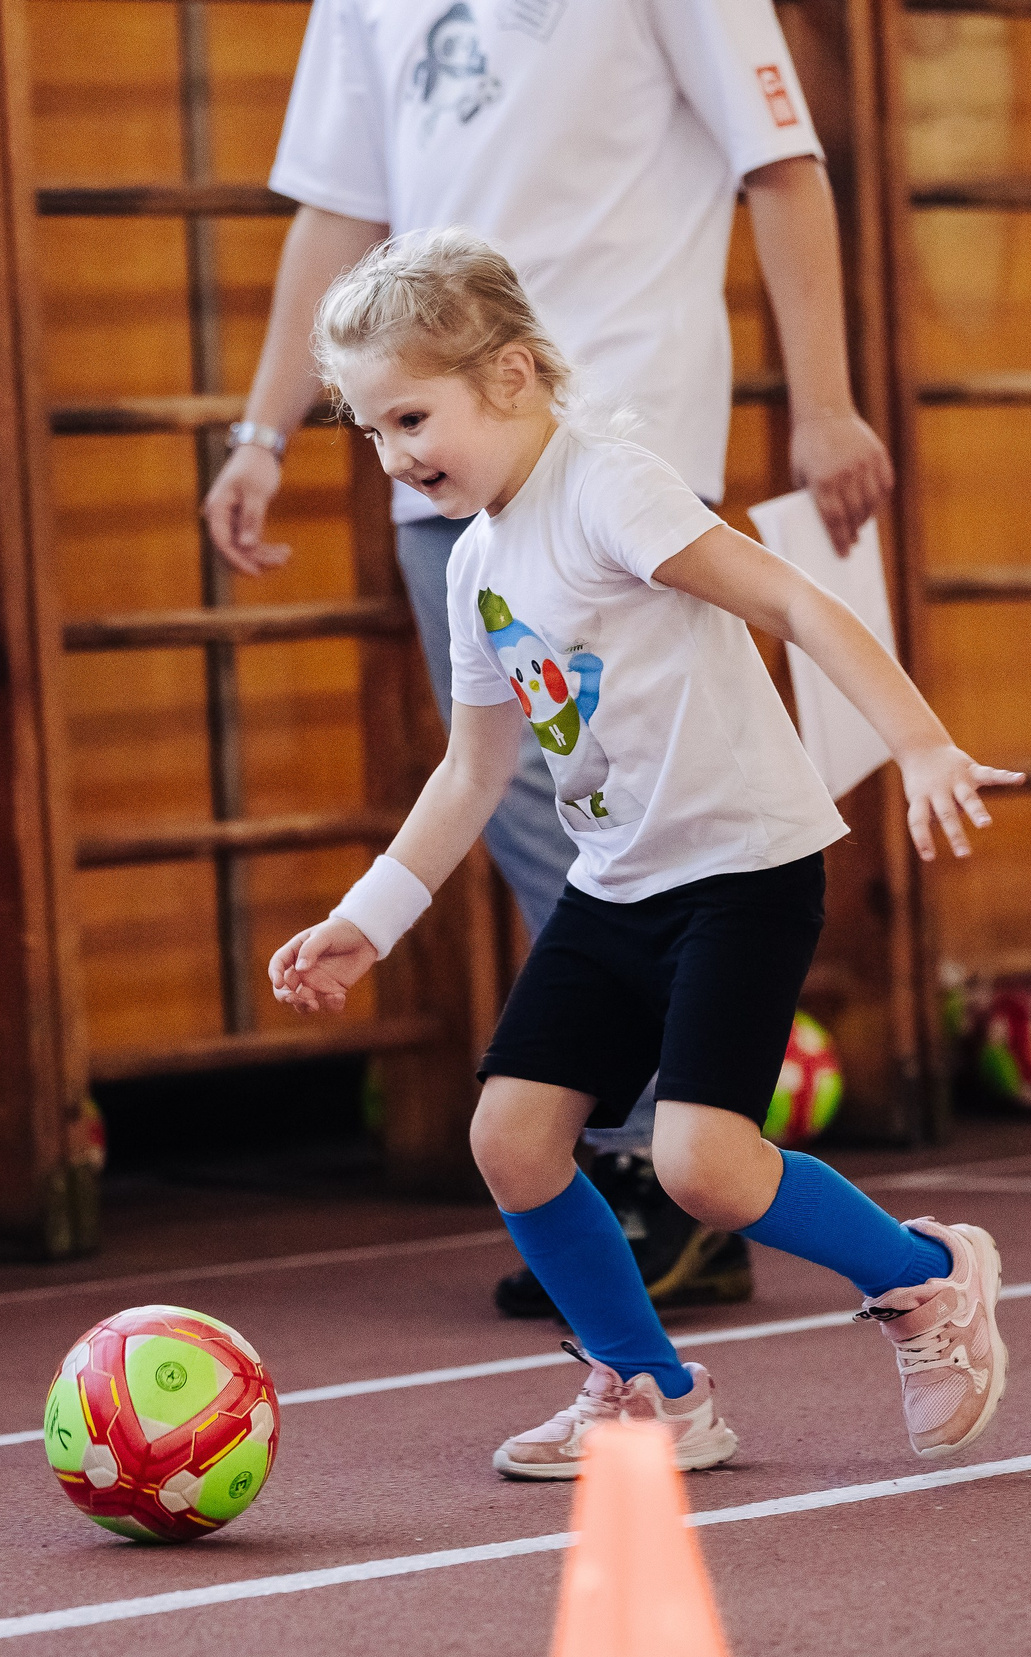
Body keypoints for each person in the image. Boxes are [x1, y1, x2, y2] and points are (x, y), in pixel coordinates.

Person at [269, 230, 1016, 1474]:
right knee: (509, 1141)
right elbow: (472, 771)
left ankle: (928, 1279)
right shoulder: (474, 568)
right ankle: (650, 1389)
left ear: (511, 377)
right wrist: (368, 918)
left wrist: (921, 745)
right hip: (614, 889)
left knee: (706, 1170)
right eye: (371, 434)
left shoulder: (611, 488)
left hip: (741, 873)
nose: (396, 458)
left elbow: (790, 599)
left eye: (411, 418)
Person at [205, 0, 892, 1315]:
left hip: (615, 433)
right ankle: (633, 1151)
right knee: (543, 807)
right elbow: (339, 209)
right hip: (447, 476)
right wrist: (266, 430)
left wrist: (825, 399)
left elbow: (781, 161)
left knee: (639, 805)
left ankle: (676, 1150)